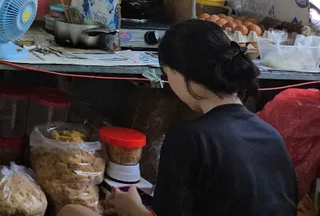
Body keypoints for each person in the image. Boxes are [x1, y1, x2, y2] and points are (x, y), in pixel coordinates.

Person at [58, 19, 297, 216]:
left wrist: (133, 209)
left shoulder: (189, 138)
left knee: (71, 212)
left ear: (180, 74)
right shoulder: (271, 135)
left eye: (167, 75)